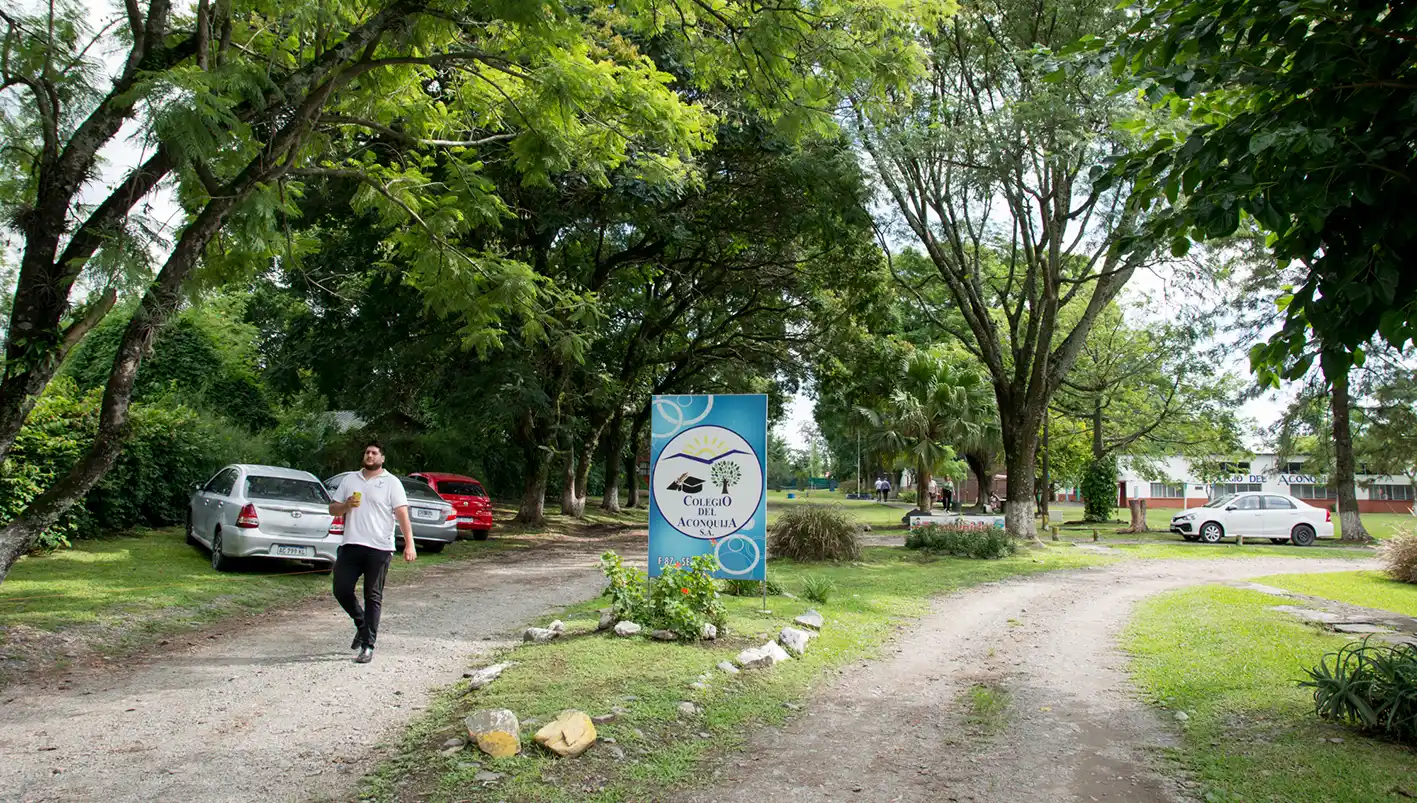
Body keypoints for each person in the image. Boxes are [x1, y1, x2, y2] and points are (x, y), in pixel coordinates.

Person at [329, 441, 415, 664]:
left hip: (379, 547)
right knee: (341, 588)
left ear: (382, 458)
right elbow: (332, 508)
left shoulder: (392, 483)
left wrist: (409, 544)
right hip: (351, 544)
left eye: (374, 453)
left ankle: (368, 645)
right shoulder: (350, 479)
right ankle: (361, 623)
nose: (369, 455)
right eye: (367, 452)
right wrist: (346, 506)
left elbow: (402, 514)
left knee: (372, 596)